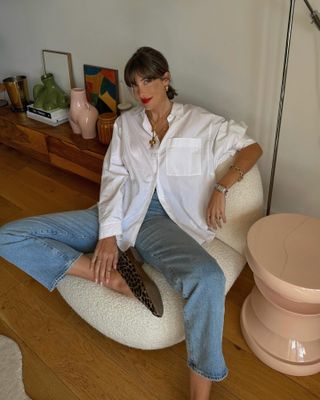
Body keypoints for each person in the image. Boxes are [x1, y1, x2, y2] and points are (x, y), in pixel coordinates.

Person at [0, 46, 262, 400]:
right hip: (116, 214)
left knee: (208, 277)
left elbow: (251, 148)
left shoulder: (202, 123)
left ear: (166, 79)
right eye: (134, 84)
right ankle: (109, 276)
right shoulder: (126, 126)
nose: (141, 91)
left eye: (149, 80)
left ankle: (200, 393)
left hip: (158, 225)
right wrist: (107, 235)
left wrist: (221, 186)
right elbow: (113, 181)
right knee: (10, 236)